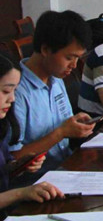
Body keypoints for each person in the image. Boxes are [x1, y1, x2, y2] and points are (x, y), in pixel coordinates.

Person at [10, 11, 96, 178]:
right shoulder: (16, 92)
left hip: (66, 165)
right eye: (69, 57)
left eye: (78, 58)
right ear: (45, 49)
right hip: (36, 181)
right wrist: (61, 133)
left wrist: (76, 124)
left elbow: (64, 126)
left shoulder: (56, 78)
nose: (74, 65)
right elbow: (13, 159)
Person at [0, 52, 65, 212]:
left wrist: (20, 165)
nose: (12, 99)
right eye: (6, 91)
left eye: (15, 91)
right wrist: (21, 193)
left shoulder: (3, 126)